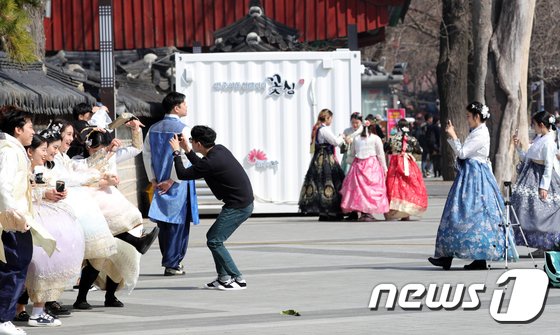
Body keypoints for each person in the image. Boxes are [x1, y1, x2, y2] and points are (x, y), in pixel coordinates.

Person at [428, 102, 517, 270]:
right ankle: (448, 256)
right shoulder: (477, 132)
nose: (467, 119)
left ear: (477, 116)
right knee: (460, 214)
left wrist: (453, 136)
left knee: (470, 215)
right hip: (471, 177)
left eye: (469, 116)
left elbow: (463, 153)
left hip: (475, 179)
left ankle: (473, 258)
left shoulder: (481, 134)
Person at [170, 125, 254, 290]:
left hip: (239, 206)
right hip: (240, 202)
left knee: (214, 241)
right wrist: (187, 150)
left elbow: (183, 174)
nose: (191, 142)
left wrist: (176, 152)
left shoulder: (212, 160)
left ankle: (238, 278)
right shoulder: (219, 151)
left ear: (199, 143)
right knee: (214, 238)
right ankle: (223, 278)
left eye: (192, 141)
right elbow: (204, 167)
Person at [16, 133, 85, 327]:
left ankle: (38, 309)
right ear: (30, 151)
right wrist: (44, 193)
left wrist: (57, 193)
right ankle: (29, 310)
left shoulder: (41, 169)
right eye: (43, 150)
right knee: (34, 264)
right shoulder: (20, 170)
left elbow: (45, 186)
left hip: (46, 217)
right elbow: (24, 190)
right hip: (30, 218)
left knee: (42, 264)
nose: (46, 154)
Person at [0, 106, 55, 335]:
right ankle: (3, 319)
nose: (33, 132)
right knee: (14, 269)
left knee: (16, 267)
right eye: (30, 127)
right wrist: (13, 214)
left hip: (16, 217)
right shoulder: (9, 151)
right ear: (17, 129)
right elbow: (3, 186)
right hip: (12, 220)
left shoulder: (13, 149)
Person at [143, 92, 199, 276]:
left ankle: (169, 260)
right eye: (185, 104)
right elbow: (184, 156)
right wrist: (172, 180)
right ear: (176, 107)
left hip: (158, 182)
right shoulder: (184, 128)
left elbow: (146, 155)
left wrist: (153, 178)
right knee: (179, 223)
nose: (187, 107)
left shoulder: (153, 128)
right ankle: (173, 263)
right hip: (178, 182)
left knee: (164, 222)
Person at [511, 111, 560, 251]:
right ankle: (540, 244)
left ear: (541, 125)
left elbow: (549, 165)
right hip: (532, 177)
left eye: (534, 124)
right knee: (530, 212)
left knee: (540, 214)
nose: (533, 127)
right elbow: (528, 157)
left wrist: (544, 187)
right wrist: (518, 147)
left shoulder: (549, 142)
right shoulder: (541, 138)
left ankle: (547, 244)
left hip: (541, 179)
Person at [299, 108, 346, 221]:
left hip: (319, 157)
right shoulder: (324, 129)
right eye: (331, 118)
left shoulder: (317, 128)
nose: (331, 121)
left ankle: (323, 212)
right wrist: (342, 137)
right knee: (330, 182)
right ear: (327, 118)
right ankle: (331, 212)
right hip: (326, 157)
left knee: (320, 183)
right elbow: (335, 142)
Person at [340, 119, 388, 221]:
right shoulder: (376, 138)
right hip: (372, 165)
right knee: (371, 189)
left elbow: (352, 153)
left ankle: (362, 212)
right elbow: (380, 155)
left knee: (359, 189)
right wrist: (384, 168)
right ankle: (368, 213)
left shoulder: (356, 139)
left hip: (358, 164)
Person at [384, 119, 428, 221]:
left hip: (395, 164)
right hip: (408, 163)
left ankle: (397, 211)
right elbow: (420, 150)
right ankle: (407, 211)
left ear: (398, 127)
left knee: (395, 186)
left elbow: (386, 149)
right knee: (409, 186)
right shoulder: (412, 139)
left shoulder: (393, 139)